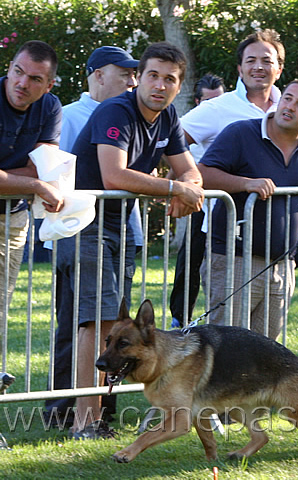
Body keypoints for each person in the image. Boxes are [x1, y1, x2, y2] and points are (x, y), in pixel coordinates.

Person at [57, 42, 204, 439]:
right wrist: (174, 188)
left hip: (120, 224)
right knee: (97, 321)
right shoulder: (115, 110)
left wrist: (185, 189)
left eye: (169, 79)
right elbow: (114, 176)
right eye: (153, 75)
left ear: (178, 85)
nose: (160, 85)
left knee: (113, 319)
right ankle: (86, 422)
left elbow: (190, 170)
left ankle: (97, 417)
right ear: (139, 76)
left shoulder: (168, 115)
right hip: (84, 219)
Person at [44, 46, 139, 428]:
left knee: (115, 326)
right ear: (98, 74)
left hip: (122, 235)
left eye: (136, 74)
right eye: (124, 73)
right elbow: (55, 173)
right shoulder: (69, 116)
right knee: (79, 325)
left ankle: (104, 407)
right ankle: (64, 409)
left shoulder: (130, 115)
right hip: (77, 234)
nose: (132, 81)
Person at [198, 79, 298, 339]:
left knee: (266, 355)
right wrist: (245, 184)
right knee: (227, 346)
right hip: (233, 260)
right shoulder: (240, 133)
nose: (290, 106)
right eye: (288, 98)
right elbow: (202, 174)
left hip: (283, 266)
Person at [173, 29, 285, 327]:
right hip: (226, 236)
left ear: (279, 68)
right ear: (239, 68)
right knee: (227, 337)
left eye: (266, 60)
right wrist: (183, 175)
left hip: (275, 241)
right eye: (250, 60)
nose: (258, 67)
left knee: (264, 341)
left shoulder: (287, 108)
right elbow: (172, 141)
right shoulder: (217, 108)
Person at [0, 40, 65, 361]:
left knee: (1, 303)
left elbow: (46, 164)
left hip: (12, 217)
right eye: (17, 72)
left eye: (35, 79)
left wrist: (20, 180)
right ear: (9, 69)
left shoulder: (50, 107)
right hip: (17, 208)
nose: (22, 83)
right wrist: (36, 184)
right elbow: (41, 175)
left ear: (49, 84)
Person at [169, 73, 226, 328]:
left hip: (226, 206)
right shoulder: (197, 122)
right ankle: (180, 318)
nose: (214, 105)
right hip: (200, 203)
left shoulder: (226, 117)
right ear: (197, 101)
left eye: (218, 100)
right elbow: (174, 153)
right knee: (190, 259)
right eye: (208, 101)